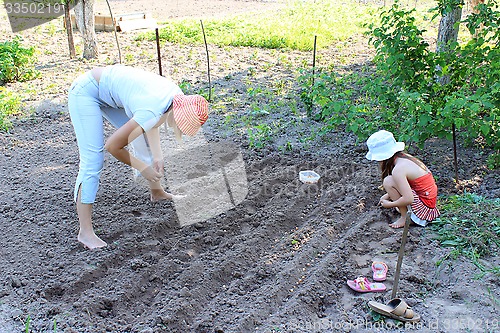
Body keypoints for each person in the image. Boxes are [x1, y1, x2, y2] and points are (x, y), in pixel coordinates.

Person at [68, 65, 209, 249]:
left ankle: (157, 193)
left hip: (108, 91)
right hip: (85, 93)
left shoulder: (177, 97)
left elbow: (152, 122)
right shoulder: (154, 109)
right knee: (93, 160)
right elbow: (113, 146)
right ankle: (85, 233)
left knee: (142, 138)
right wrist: (144, 167)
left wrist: (157, 156)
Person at [366, 130, 440, 228]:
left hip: (424, 209)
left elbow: (409, 199)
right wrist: (387, 196)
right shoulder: (405, 158)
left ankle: (405, 217)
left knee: (388, 181)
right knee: (391, 181)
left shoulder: (398, 170)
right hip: (429, 203)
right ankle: (407, 212)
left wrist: (390, 204)